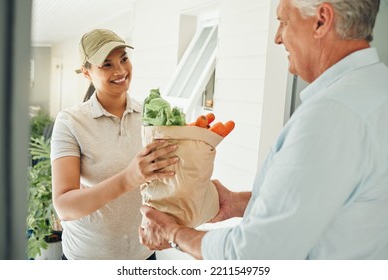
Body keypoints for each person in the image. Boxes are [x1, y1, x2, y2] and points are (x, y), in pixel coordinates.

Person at [139, 0, 388, 259]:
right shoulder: (376, 88)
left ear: (321, 20)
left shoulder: (332, 114)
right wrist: (237, 204)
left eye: (283, 21)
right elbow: (331, 203)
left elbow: (254, 252)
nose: (278, 38)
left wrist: (174, 233)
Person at [51, 29, 179, 260]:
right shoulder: (70, 122)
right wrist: (130, 176)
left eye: (124, 59)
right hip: (87, 259)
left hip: (143, 255)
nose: (120, 71)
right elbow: (64, 207)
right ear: (86, 73)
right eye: (106, 65)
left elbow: (164, 183)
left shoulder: (149, 116)